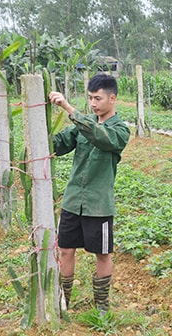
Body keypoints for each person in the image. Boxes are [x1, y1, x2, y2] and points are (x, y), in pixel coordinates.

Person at [49, 73, 130, 314]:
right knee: (65, 250)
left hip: (99, 204)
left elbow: (99, 136)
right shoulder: (82, 127)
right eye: (90, 99)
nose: (93, 104)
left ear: (112, 98)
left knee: (102, 254)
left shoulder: (119, 131)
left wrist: (68, 108)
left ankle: (101, 306)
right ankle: (64, 301)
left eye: (98, 98)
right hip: (73, 200)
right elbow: (59, 144)